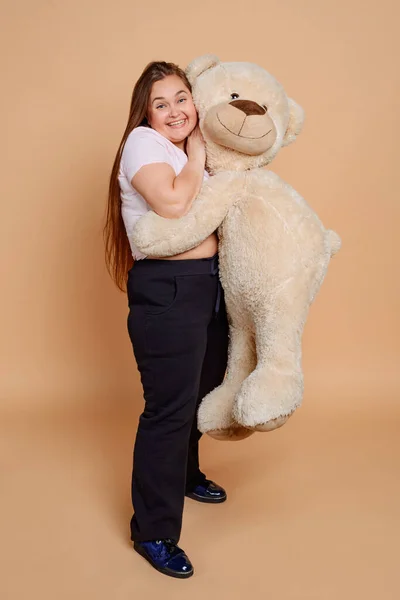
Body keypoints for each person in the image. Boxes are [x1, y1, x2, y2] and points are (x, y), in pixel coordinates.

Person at [104, 61, 229, 579]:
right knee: (169, 409)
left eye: (183, 98)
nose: (175, 111)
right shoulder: (143, 144)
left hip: (207, 285)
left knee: (204, 390)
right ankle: (153, 531)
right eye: (162, 103)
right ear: (146, 113)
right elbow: (175, 204)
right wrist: (198, 150)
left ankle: (184, 471)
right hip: (168, 291)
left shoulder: (180, 149)